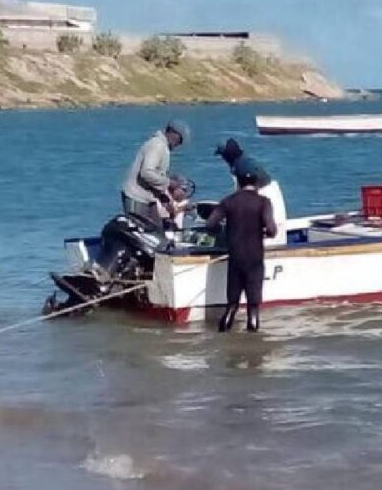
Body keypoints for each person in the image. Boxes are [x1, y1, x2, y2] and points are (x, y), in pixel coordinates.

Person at [206, 170, 278, 332]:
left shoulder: (228, 201)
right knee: (253, 307)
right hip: (254, 259)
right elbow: (272, 230)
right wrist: (265, 232)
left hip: (235, 258)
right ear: (257, 184)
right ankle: (252, 347)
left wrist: (223, 230)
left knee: (232, 305)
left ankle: (223, 340)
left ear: (238, 183)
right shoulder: (263, 202)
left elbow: (210, 224)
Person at [214, 138, 288, 246]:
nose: (223, 158)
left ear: (228, 155)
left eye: (223, 155)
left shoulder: (241, 167)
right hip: (268, 191)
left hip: (264, 192)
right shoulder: (242, 162)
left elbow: (248, 191)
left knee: (270, 227)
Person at [121, 119, 191, 228]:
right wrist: (169, 183)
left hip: (149, 197)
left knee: (157, 233)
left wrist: (162, 196)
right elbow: (146, 173)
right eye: (180, 140)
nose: (179, 144)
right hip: (136, 196)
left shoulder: (164, 147)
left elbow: (156, 174)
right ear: (173, 133)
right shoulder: (157, 145)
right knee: (140, 234)